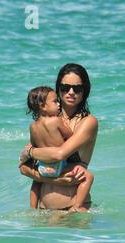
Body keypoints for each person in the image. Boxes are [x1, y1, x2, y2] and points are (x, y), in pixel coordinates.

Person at [19, 63, 98, 211]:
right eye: (65, 87)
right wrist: (57, 180)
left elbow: (59, 153)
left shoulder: (88, 122)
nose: (71, 92)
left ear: (85, 91)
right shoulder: (47, 123)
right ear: (58, 89)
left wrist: (29, 152)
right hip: (43, 212)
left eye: (77, 88)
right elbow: (23, 168)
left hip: (72, 212)